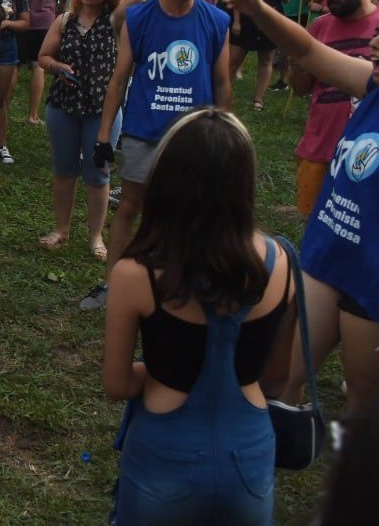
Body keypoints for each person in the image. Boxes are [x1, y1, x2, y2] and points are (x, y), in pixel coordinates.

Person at [102, 109, 292, 525]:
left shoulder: (135, 274)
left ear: (167, 178)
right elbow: (277, 376)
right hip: (250, 453)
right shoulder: (281, 264)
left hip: (165, 452)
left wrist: (163, 370)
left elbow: (116, 383)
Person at [223, 0, 379, 414]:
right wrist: (258, 10)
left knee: (364, 402)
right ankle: (278, 444)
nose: (375, 47)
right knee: (286, 375)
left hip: (371, 275)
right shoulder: (371, 84)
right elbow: (309, 52)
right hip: (328, 253)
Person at [82, 0, 231, 311]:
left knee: (191, 212)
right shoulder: (140, 17)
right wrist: (103, 136)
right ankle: (114, 286)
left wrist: (223, 134)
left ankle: (182, 285)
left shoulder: (216, 20)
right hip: (144, 130)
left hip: (194, 137)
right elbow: (119, 78)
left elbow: (222, 83)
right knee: (131, 207)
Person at [37, 0, 122, 260]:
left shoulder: (114, 20)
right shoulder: (65, 20)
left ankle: (96, 236)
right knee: (64, 169)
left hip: (102, 108)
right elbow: (43, 56)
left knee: (98, 172)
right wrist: (56, 66)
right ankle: (61, 228)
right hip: (63, 105)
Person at [289, 0, 379, 217]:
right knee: (314, 221)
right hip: (319, 146)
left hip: (366, 151)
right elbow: (301, 88)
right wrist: (296, 62)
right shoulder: (319, 27)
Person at [229, 0, 290, 110]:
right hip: (247, 20)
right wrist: (237, 21)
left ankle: (258, 100)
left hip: (270, 22)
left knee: (266, 60)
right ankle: (225, 93)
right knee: (234, 60)